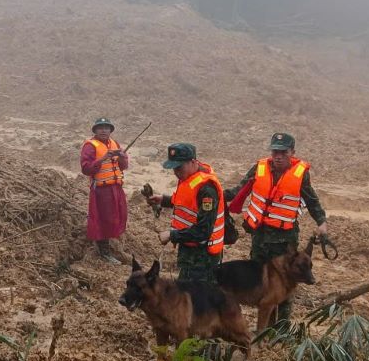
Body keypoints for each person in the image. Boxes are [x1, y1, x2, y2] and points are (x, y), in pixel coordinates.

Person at [224, 132, 328, 327]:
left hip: (284, 241)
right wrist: (217, 196)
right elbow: (238, 190)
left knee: (286, 286)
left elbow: (312, 200)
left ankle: (280, 331)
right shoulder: (260, 168)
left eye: (283, 152)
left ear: (292, 152)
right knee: (258, 284)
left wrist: (321, 222)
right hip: (260, 237)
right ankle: (262, 330)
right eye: (275, 151)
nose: (278, 156)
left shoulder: (300, 174)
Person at [147, 143, 225, 284]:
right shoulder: (188, 178)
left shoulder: (207, 190)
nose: (176, 171)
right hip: (190, 252)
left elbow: (203, 230)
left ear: (193, 162)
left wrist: (172, 235)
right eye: (174, 168)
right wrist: (164, 200)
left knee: (197, 298)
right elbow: (187, 203)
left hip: (203, 257)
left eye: (179, 167)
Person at [80, 118, 129, 264]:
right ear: (95, 130)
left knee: (118, 215)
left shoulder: (115, 144)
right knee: (103, 219)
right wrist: (102, 159)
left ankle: (112, 243)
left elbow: (123, 166)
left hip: (116, 188)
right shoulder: (90, 146)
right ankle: (104, 251)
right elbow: (86, 169)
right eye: (100, 128)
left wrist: (121, 157)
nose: (104, 130)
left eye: (106, 128)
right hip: (102, 190)